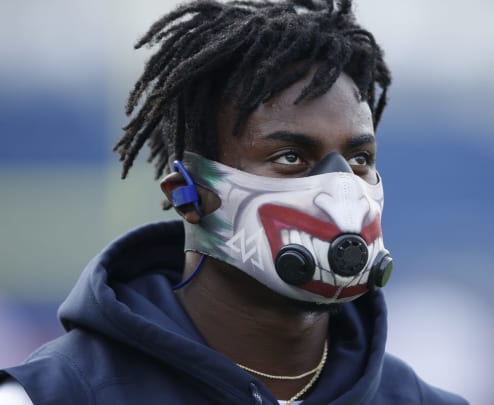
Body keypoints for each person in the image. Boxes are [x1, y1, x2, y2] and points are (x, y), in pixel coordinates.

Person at [0, 1, 468, 404]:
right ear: (189, 195)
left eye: (359, 158)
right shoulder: (49, 395)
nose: (341, 191)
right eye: (290, 157)